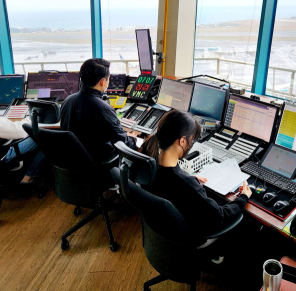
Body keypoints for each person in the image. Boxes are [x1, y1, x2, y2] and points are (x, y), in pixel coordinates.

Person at [140, 110, 252, 239]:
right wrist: (243, 197)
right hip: (192, 235)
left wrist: (190, 179)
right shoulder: (186, 184)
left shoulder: (147, 164)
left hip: (162, 231)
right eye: (191, 140)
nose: (190, 145)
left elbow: (172, 184)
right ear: (182, 141)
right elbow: (220, 217)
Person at [60, 58, 138, 166]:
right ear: (102, 82)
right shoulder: (103, 108)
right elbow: (122, 143)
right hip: (97, 166)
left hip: (71, 164)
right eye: (108, 79)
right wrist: (133, 138)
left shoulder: (67, 100)